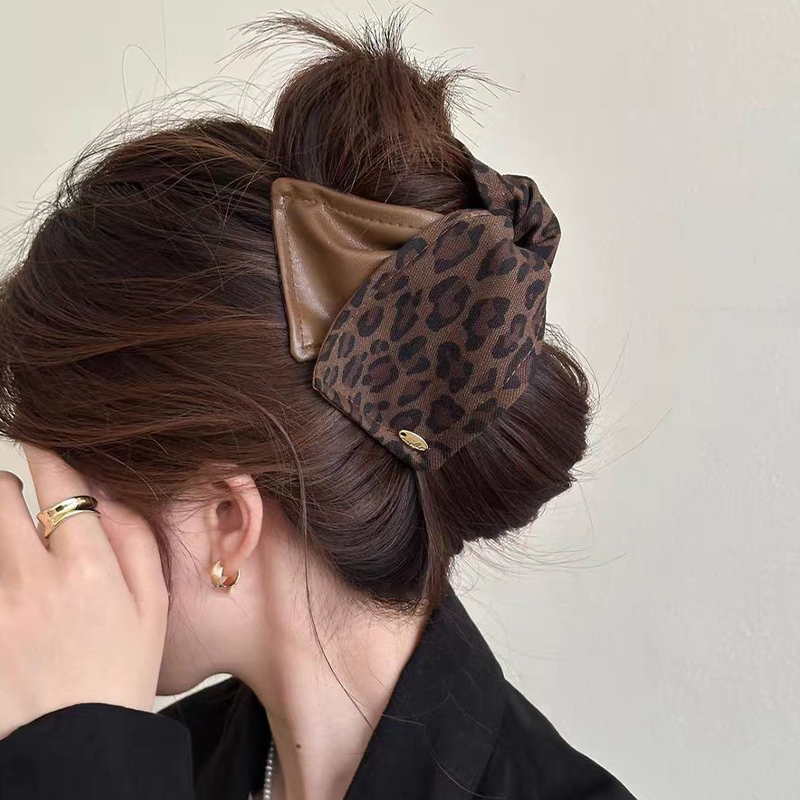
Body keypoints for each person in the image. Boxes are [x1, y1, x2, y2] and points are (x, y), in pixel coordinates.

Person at [0, 11, 639, 800]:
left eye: (68, 505)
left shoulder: (87, 765)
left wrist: (77, 758)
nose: (45, 552)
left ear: (225, 521)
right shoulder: (168, 760)